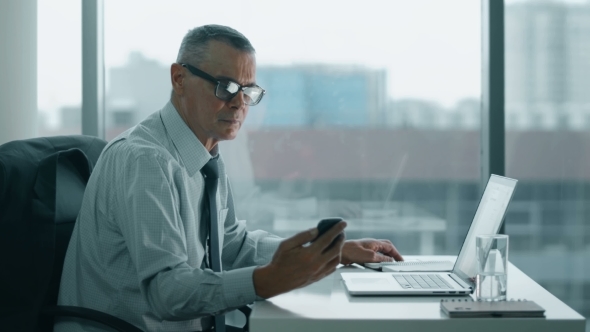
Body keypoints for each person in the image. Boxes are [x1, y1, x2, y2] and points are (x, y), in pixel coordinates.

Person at [56, 24, 403, 332]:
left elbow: (230, 245)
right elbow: (168, 293)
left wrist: (330, 251)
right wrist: (266, 280)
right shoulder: (146, 161)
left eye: (249, 91)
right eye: (225, 86)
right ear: (179, 79)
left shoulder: (204, 154)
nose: (240, 104)